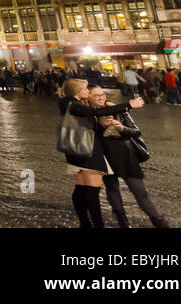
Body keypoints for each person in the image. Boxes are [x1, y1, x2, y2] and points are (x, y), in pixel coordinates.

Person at [58, 78, 144, 228]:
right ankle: (97, 224)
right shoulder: (74, 104)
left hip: (80, 151)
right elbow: (97, 111)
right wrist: (128, 105)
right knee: (91, 192)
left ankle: (85, 223)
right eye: (85, 89)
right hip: (89, 152)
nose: (87, 91)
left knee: (81, 190)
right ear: (76, 91)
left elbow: (91, 121)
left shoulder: (69, 103)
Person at [89, 86, 168, 228]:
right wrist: (97, 126)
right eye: (96, 95)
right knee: (112, 187)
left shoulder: (119, 109)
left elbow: (136, 131)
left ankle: (158, 220)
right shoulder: (89, 114)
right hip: (105, 156)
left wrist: (121, 128)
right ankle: (122, 221)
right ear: (88, 97)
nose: (100, 97)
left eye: (102, 94)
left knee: (140, 191)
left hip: (125, 154)